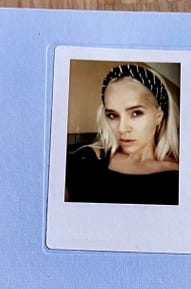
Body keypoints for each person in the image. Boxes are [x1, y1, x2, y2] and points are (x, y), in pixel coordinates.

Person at [65, 64, 180, 205]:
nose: (121, 128)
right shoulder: (86, 160)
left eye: (136, 113)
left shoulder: (181, 179)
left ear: (158, 116)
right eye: (112, 115)